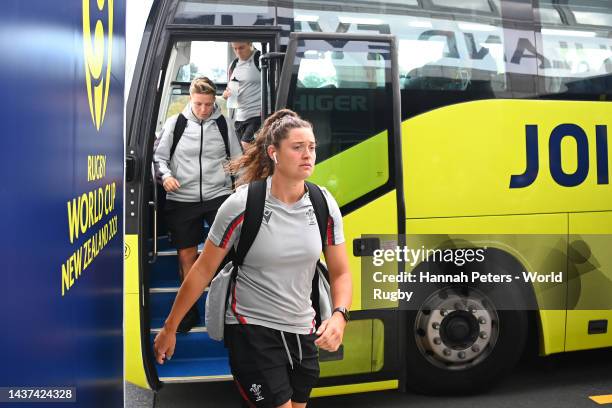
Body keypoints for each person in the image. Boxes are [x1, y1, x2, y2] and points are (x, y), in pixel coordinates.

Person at [154, 109, 353, 407]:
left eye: (311, 147)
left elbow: (341, 273)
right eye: (297, 147)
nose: (307, 154)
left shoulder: (323, 202)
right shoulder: (241, 204)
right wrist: (170, 327)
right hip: (251, 328)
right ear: (273, 152)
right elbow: (202, 270)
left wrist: (340, 315)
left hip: (302, 329)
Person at [153, 76, 242, 333]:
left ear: (214, 100)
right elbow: (159, 159)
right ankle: (188, 311)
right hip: (183, 199)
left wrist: (239, 185)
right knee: (186, 256)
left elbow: (237, 159)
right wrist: (166, 176)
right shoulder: (176, 124)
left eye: (208, 103)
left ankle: (224, 307)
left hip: (218, 196)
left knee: (225, 252)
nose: (203, 109)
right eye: (199, 104)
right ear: (190, 99)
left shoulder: (224, 124)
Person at [223, 41, 262, 150]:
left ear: (250, 44)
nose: (238, 52)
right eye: (235, 49)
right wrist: (226, 95)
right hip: (240, 116)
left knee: (246, 144)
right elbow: (230, 89)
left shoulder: (260, 59)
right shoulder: (233, 64)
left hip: (257, 114)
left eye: (241, 48)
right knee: (240, 150)